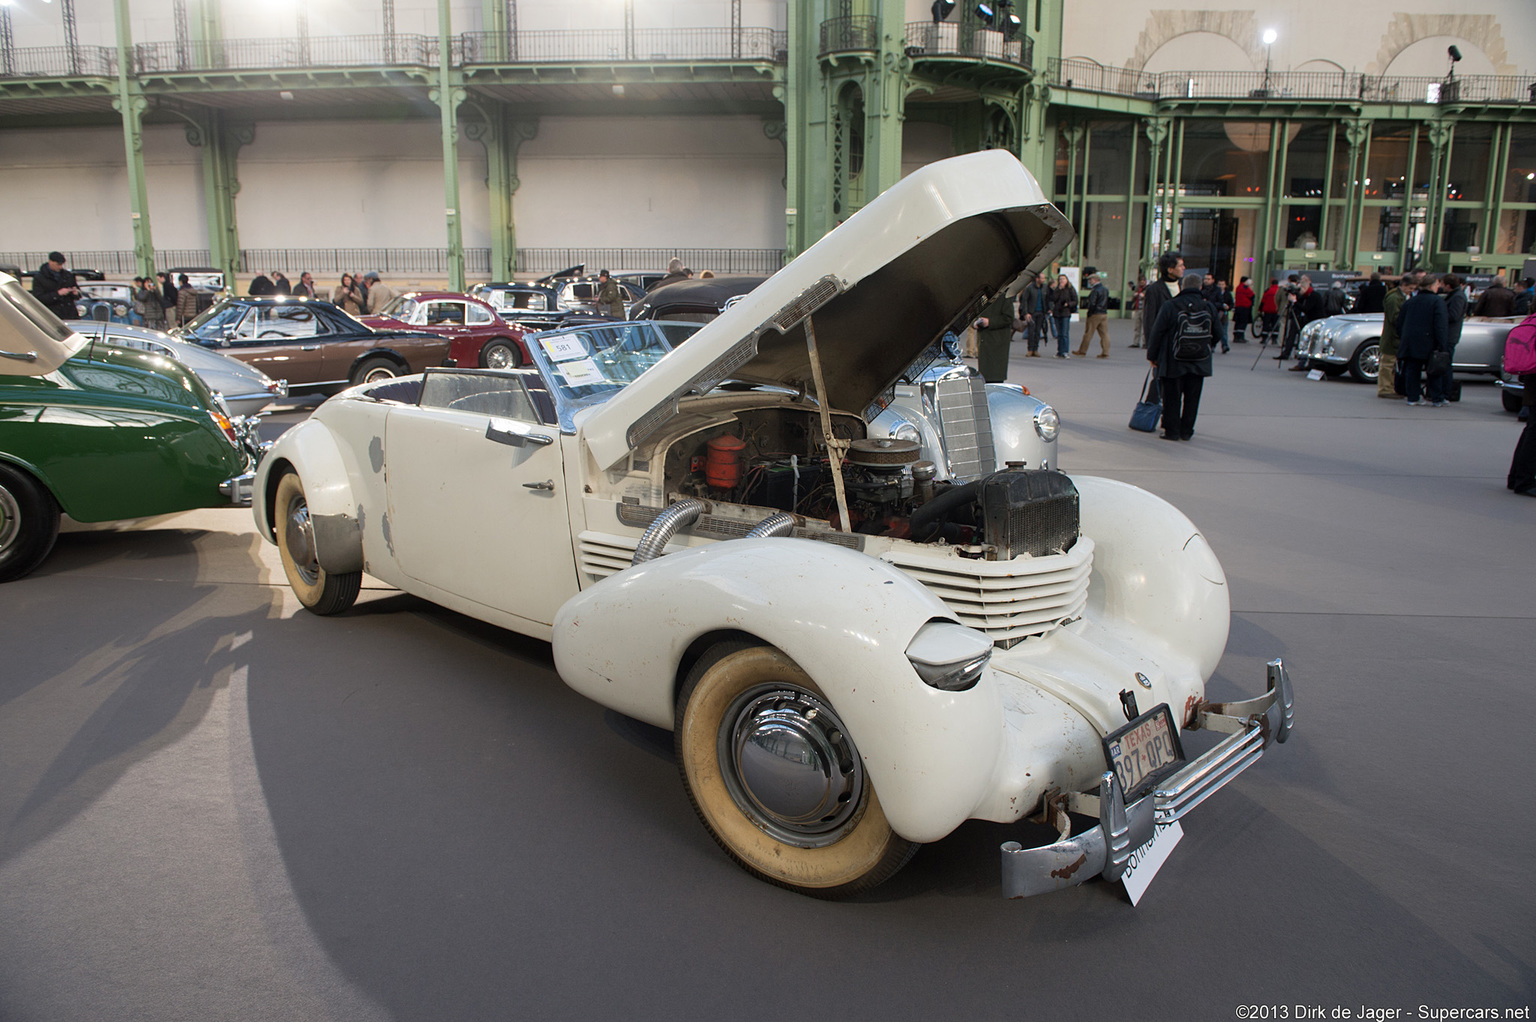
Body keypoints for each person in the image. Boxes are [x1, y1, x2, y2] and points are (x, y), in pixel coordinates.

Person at [1146, 272, 1217, 441]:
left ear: (1182, 287)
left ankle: (1172, 431)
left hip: (1174, 359)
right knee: (1192, 398)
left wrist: (1153, 356)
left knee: (1172, 396)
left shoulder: (1171, 306)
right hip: (1199, 360)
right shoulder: (1208, 307)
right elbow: (1218, 333)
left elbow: (1157, 332)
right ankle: (1187, 430)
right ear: (1200, 287)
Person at [1395, 272, 1449, 406]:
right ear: (1431, 286)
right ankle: (1437, 398)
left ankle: (1413, 397)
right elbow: (1440, 324)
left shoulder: (1410, 301)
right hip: (1430, 341)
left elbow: (1399, 322)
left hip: (1411, 341)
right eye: (1437, 284)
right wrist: (1442, 344)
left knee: (1412, 370)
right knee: (1434, 371)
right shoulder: (1438, 302)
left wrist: (1404, 337)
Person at [1378, 273, 1413, 399]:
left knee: (1391, 364)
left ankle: (1389, 387)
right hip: (1392, 337)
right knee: (1388, 364)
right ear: (1404, 285)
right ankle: (1385, 388)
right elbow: (1395, 318)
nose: (1411, 291)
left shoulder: (1398, 297)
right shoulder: (1394, 298)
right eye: (1410, 288)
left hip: (1394, 337)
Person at [1141, 251, 1183, 351]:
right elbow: (1149, 320)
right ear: (1170, 269)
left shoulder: (1184, 286)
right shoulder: (1154, 290)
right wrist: (1151, 348)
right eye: (1180, 266)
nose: (1183, 268)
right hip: (1164, 344)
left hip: (1183, 344)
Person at [1282, 274, 1323, 367]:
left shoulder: (1313, 296)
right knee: (1304, 340)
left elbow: (1305, 308)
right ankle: (1303, 363)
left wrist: (1294, 302)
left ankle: (1306, 363)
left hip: (1315, 321)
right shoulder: (1306, 295)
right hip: (1308, 320)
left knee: (1309, 342)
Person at [975, 287, 1014, 382]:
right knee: (984, 375)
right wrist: (975, 323)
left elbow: (1008, 318)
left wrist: (990, 322)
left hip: (997, 341)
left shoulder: (1005, 296)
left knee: (995, 377)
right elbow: (974, 313)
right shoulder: (981, 296)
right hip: (984, 340)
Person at [1440, 273, 1468, 398]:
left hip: (1450, 334)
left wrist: (1440, 315)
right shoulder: (1456, 295)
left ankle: (1446, 391)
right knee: (1444, 362)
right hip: (1450, 333)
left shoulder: (1457, 297)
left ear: (1448, 285)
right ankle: (1445, 389)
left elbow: (1454, 315)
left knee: (1446, 363)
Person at [31, 251, 81, 320]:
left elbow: (78, 292)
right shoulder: (40, 278)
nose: (60, 267)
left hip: (69, 313)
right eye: (58, 264)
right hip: (51, 314)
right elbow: (38, 298)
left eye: (61, 265)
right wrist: (57, 294)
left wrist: (75, 293)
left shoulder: (68, 275)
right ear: (50, 262)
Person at [1074, 272, 1110, 357]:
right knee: (1104, 334)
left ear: (1095, 280)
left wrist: (1089, 313)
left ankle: (1082, 351)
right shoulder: (1105, 289)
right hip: (1103, 313)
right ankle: (1105, 352)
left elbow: (1092, 303)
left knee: (1088, 333)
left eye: (1090, 280)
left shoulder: (1095, 290)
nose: (1089, 281)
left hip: (1095, 314)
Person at [1201, 274, 1233, 353]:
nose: (1206, 280)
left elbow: (1220, 303)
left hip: (1216, 313)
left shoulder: (1217, 290)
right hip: (1203, 314)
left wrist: (1208, 303)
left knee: (1220, 330)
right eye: (1205, 279)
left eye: (1208, 279)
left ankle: (1223, 345)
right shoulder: (1201, 289)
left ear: (1212, 280)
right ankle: (1210, 345)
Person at [1018, 271, 1047, 356]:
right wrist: (1026, 313)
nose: (1044, 280)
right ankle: (1030, 349)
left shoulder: (1044, 288)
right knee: (1031, 332)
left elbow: (1048, 298)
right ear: (1037, 279)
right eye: (1042, 278)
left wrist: (1049, 308)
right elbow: (1024, 301)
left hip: (1041, 312)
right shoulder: (1030, 288)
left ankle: (1036, 349)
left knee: (1038, 332)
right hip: (1031, 313)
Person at [1048, 273, 1076, 358]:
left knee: (1064, 333)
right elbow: (1053, 299)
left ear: (1067, 280)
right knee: (1059, 333)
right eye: (1060, 279)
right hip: (1057, 313)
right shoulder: (1057, 289)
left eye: (1063, 279)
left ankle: (1065, 351)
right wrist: (1059, 290)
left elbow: (1075, 300)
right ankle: (1059, 351)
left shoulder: (1070, 289)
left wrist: (1068, 304)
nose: (1061, 281)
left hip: (1065, 313)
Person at [1258, 277, 1281, 346]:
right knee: (1275, 325)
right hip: (1276, 311)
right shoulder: (1279, 290)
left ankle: (1264, 339)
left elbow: (1263, 300)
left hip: (1267, 310)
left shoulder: (1268, 290)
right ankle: (1274, 339)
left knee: (1266, 325)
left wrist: (1260, 309)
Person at [1232, 276, 1254, 341]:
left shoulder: (1238, 287)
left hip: (1238, 307)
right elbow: (1252, 295)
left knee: (1238, 322)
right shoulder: (1245, 288)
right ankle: (1240, 337)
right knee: (1243, 322)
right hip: (1245, 307)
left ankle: (1236, 336)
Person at [1129, 274, 1146, 348]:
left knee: (1145, 327)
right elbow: (1132, 299)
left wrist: (1144, 296)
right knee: (1137, 326)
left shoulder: (1148, 289)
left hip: (1144, 309)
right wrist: (1134, 296)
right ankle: (1136, 342)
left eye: (1143, 281)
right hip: (1137, 308)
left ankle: (1145, 343)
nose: (1141, 282)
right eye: (1140, 281)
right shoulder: (1137, 288)